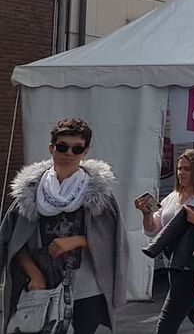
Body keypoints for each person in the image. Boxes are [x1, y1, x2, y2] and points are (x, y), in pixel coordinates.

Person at [0, 118, 127, 334]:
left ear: (85, 151)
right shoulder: (30, 192)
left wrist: (78, 240)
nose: (69, 153)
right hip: (40, 290)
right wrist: (34, 275)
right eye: (62, 147)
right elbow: (14, 242)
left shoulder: (98, 194)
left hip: (87, 291)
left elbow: (114, 240)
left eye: (77, 148)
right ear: (51, 148)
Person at [138, 149, 194, 334]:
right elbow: (153, 231)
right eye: (179, 168)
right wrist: (146, 213)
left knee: (166, 324)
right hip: (173, 264)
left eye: (187, 169)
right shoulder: (173, 197)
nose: (181, 172)